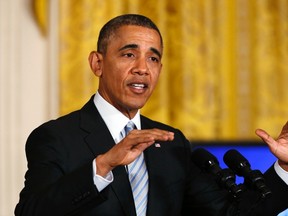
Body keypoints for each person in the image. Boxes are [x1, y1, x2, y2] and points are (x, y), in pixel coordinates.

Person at [15, 14, 288, 216]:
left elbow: (232, 213)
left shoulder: (172, 144)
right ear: (97, 63)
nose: (142, 68)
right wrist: (102, 166)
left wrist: (285, 168)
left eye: (153, 58)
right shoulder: (55, 138)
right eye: (129, 54)